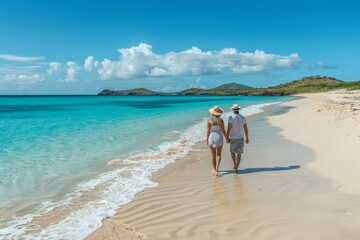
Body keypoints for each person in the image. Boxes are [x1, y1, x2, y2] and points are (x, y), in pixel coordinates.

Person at [226, 104, 249, 173]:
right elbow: (245, 129)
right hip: (240, 138)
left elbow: (229, 128)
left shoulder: (231, 117)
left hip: (233, 138)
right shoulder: (243, 118)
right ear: (238, 110)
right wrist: (247, 138)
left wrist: (227, 137)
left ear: (232, 110)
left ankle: (234, 164)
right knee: (239, 153)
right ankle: (236, 167)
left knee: (232, 152)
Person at [207, 106, 228, 175]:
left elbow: (208, 131)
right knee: (218, 155)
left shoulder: (209, 121)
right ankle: (217, 168)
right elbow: (223, 131)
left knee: (213, 155)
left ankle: (214, 169)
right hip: (219, 137)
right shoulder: (221, 121)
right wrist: (227, 138)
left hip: (212, 137)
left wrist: (207, 140)